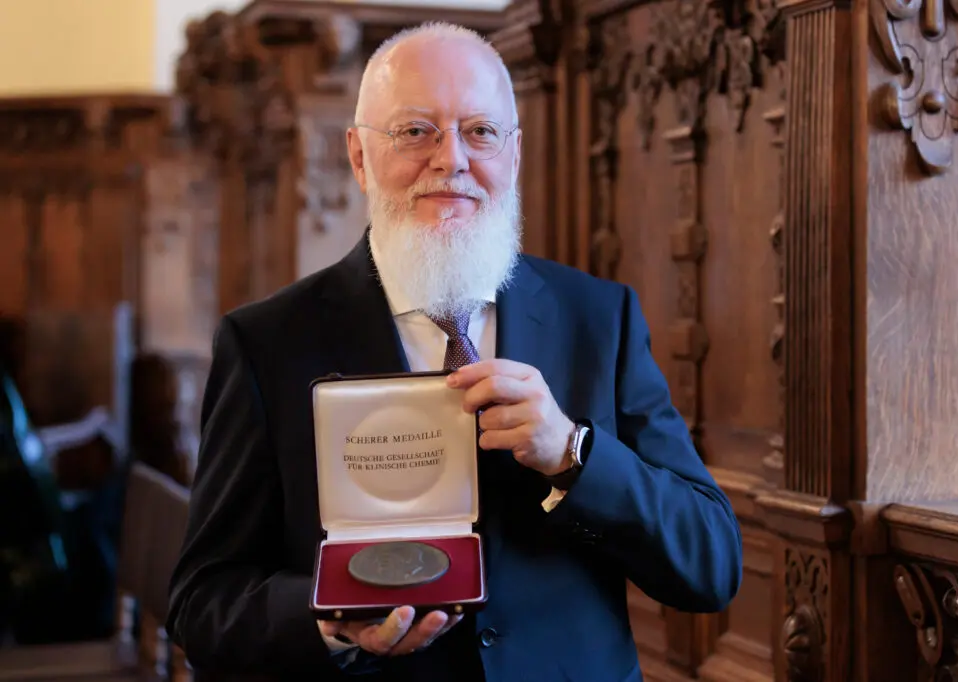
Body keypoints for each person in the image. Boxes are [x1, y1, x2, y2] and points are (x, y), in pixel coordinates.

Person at [166, 21, 743, 682]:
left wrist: (574, 454)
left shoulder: (597, 319)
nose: (451, 160)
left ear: (514, 154)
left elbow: (712, 567)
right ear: (357, 156)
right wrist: (327, 621)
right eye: (416, 131)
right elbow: (200, 603)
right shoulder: (265, 343)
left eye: (480, 131)